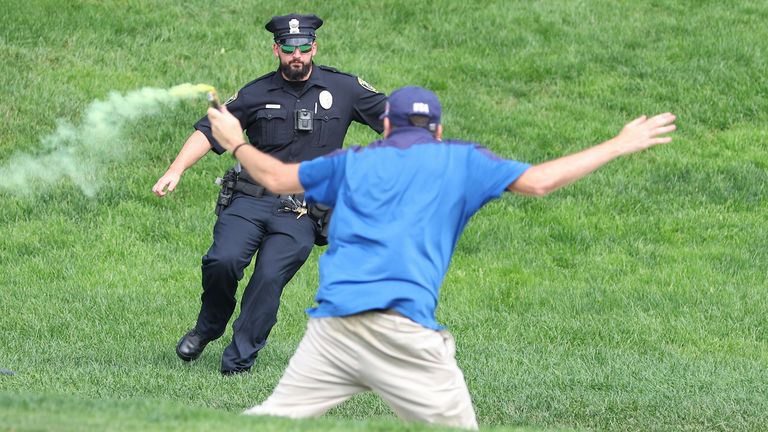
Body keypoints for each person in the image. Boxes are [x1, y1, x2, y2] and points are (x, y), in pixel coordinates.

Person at [206, 86, 676, 428]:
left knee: (268, 421)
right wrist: (620, 143)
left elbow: (275, 178)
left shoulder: (354, 161)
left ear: (385, 126)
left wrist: (236, 140)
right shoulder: (461, 160)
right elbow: (540, 182)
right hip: (401, 333)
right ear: (438, 130)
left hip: (333, 329)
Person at [151, 14, 387, 375]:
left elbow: (393, 120)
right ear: (277, 49)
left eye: (304, 48)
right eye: (290, 49)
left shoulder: (344, 89)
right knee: (222, 261)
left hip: (301, 211)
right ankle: (208, 327)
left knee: (268, 280)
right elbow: (211, 128)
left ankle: (237, 362)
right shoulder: (256, 92)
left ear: (314, 47)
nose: (298, 55)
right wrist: (176, 169)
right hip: (249, 199)